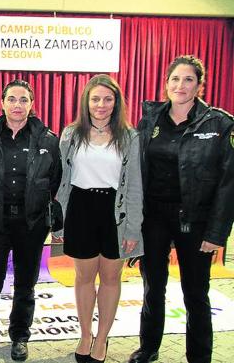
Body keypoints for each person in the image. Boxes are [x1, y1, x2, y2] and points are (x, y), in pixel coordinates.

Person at [128, 55, 234, 363]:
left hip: (196, 220)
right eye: (175, 79)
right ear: (166, 84)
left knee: (196, 293)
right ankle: (148, 347)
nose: (181, 85)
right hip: (154, 218)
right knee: (152, 289)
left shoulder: (220, 124)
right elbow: (137, 171)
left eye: (188, 80)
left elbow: (228, 185)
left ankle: (199, 356)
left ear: (200, 85)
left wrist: (217, 234)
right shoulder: (150, 119)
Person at [0, 79, 61, 363]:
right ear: (2, 102)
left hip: (31, 225)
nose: (17, 105)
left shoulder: (48, 139)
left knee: (25, 285)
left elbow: (54, 180)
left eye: (23, 99)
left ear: (31, 104)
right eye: (12, 99)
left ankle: (20, 336)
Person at [54, 74, 143, 363]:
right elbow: (61, 182)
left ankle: (102, 338)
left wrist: (132, 228)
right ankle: (84, 334)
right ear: (86, 102)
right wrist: (59, 220)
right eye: (95, 99)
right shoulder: (70, 134)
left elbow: (135, 186)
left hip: (114, 212)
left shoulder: (129, 136)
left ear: (116, 102)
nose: (101, 105)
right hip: (80, 209)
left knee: (110, 277)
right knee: (83, 277)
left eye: (107, 99)